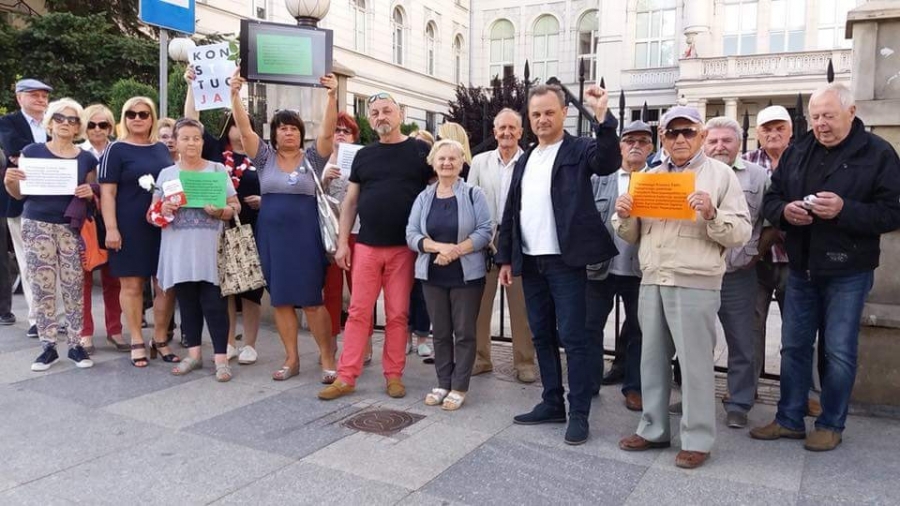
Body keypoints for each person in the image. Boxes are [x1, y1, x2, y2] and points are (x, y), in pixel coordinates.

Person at [751, 83, 900, 451]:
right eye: (815, 116)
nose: (821, 123)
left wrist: (845, 210)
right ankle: (789, 419)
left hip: (849, 271)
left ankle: (831, 424)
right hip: (802, 266)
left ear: (851, 112)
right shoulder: (798, 150)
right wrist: (785, 212)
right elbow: (773, 198)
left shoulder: (878, 153)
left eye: (829, 116)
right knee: (793, 346)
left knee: (838, 351)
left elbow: (892, 212)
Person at [614, 106, 751, 469]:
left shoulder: (720, 175)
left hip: (695, 281)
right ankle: (654, 428)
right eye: (672, 133)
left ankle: (697, 439)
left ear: (701, 136)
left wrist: (712, 213)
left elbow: (741, 232)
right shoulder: (647, 176)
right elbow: (632, 233)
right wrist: (623, 215)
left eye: (687, 132)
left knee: (695, 366)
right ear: (662, 138)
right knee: (651, 360)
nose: (679, 139)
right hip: (653, 278)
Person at [496, 84, 621, 446]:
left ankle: (578, 412)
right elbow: (511, 210)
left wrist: (603, 119)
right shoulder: (525, 159)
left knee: (574, 337)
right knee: (541, 335)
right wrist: (505, 257)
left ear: (564, 113)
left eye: (549, 112)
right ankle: (552, 401)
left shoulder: (580, 149)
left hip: (566, 262)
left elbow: (608, 161)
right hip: (531, 262)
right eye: (536, 114)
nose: (542, 119)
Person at [318, 91, 433, 401]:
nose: (381, 116)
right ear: (370, 120)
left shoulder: (420, 151)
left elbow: (439, 187)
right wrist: (343, 243)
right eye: (375, 112)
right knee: (358, 312)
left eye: (387, 110)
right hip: (366, 246)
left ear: (400, 114)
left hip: (403, 249)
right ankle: (346, 376)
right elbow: (350, 202)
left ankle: (394, 375)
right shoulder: (363, 156)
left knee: (397, 314)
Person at [230, 69, 339, 383]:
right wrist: (235, 95)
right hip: (272, 239)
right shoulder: (264, 159)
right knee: (280, 301)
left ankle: (327, 357)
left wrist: (332, 96)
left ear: (301, 133)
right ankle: (291, 359)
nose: (288, 133)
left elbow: (328, 135)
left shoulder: (312, 159)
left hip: (306, 240)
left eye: (293, 128)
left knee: (312, 301)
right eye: (283, 128)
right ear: (274, 134)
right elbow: (245, 130)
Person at [3, 98, 98, 370]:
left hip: (70, 226)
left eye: (72, 120)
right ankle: (48, 346)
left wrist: (89, 193)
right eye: (59, 118)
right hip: (36, 223)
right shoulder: (32, 151)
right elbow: (19, 194)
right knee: (42, 284)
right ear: (50, 122)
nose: (65, 123)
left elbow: (92, 195)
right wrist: (9, 182)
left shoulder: (86, 158)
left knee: (73, 284)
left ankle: (76, 345)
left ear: (78, 126)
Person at [744, 106, 824, 418]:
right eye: (767, 129)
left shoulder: (805, 159)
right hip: (757, 259)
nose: (773, 134)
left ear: (791, 131)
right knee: (750, 328)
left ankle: (802, 394)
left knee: (799, 332)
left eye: (780, 128)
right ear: (757, 133)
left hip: (796, 260)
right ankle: (745, 389)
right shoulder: (747, 163)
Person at [152, 118, 241, 381]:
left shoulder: (216, 170)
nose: (191, 143)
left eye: (196, 138)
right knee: (187, 303)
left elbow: (235, 206)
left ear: (203, 142)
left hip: (210, 251)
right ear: (175, 142)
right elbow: (152, 214)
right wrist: (163, 208)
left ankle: (221, 358)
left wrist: (222, 211)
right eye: (185, 138)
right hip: (179, 251)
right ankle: (193, 354)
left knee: (215, 304)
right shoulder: (167, 174)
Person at [184, 68, 262, 365]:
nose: (240, 130)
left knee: (251, 289)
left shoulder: (261, 155)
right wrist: (192, 87)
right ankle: (228, 341)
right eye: (235, 125)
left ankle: (250, 343)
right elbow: (192, 121)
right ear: (227, 130)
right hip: (216, 226)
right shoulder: (216, 152)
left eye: (245, 125)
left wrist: (263, 201)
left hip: (252, 228)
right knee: (224, 287)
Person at [407, 139, 492, 410]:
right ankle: (443, 382)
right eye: (441, 158)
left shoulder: (474, 194)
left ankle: (459, 386)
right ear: (433, 162)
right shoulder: (424, 197)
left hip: (466, 276)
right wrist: (438, 248)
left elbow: (485, 231)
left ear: (462, 163)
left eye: (452, 158)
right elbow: (412, 234)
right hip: (432, 275)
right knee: (441, 332)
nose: (447, 163)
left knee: (464, 333)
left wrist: (454, 252)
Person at [98, 96, 179, 368]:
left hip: (163, 226)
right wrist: (111, 229)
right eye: (131, 114)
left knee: (165, 285)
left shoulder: (161, 148)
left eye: (143, 114)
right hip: (128, 226)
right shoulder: (115, 149)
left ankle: (160, 338)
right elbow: (107, 194)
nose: (137, 118)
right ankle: (136, 340)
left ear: (152, 118)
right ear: (124, 118)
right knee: (131, 286)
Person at [704, 116, 768, 429]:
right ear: (704, 143)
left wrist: (756, 254)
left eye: (726, 140)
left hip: (737, 273)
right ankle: (695, 398)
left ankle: (739, 403)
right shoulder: (694, 174)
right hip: (700, 273)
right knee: (696, 340)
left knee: (742, 340)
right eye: (713, 140)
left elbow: (770, 222)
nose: (720, 146)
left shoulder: (757, 176)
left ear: (739, 144)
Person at [586, 120, 652, 411]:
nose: (635, 146)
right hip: (600, 267)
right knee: (590, 327)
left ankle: (634, 387)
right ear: (620, 145)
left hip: (641, 270)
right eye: (629, 140)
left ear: (651, 147)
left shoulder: (658, 180)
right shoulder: (599, 178)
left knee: (640, 330)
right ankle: (589, 381)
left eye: (642, 141)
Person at [466, 108, 536, 383]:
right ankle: (480, 359)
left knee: (521, 307)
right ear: (494, 132)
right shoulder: (480, 162)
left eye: (512, 128)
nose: (507, 132)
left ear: (520, 132)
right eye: (502, 128)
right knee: (480, 306)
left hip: (519, 241)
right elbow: (469, 201)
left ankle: (524, 362)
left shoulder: (530, 162)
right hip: (485, 240)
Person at [0, 78, 63, 336]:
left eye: (44, 95)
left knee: (57, 263)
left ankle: (58, 317)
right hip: (20, 202)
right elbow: (14, 149)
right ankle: (38, 318)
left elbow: (64, 152)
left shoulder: (55, 122)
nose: (40, 99)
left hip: (54, 203)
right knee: (29, 263)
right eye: (34, 95)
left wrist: (29, 157)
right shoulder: (8, 122)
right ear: (19, 98)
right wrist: (46, 155)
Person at [321, 113, 375, 363]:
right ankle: (331, 345)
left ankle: (365, 345)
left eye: (347, 131)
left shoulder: (362, 158)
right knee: (331, 293)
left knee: (360, 293)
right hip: (331, 234)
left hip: (358, 232)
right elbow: (313, 196)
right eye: (337, 130)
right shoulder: (321, 160)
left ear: (354, 136)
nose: (341, 134)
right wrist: (324, 179)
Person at [78, 103, 126, 353]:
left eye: (103, 124)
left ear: (111, 126)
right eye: (92, 124)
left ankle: (114, 330)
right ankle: (85, 332)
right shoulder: (77, 152)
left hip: (115, 220)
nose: (97, 129)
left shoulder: (119, 150)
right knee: (83, 279)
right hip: (84, 221)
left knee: (113, 278)